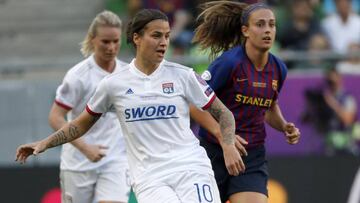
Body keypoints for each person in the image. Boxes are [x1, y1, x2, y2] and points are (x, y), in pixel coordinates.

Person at [15, 9, 244, 203]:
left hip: (192, 167)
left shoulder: (184, 76)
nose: (164, 42)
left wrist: (228, 144)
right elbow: (80, 124)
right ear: (137, 38)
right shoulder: (114, 84)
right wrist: (46, 142)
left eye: (166, 36)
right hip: (149, 176)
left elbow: (224, 114)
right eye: (156, 35)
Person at [192, 2, 301, 203]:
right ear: (246, 31)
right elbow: (194, 103)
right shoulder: (229, 63)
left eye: (272, 24)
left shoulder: (279, 68)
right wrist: (226, 139)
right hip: (213, 153)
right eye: (260, 24)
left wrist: (284, 125)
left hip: (251, 156)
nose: (267, 29)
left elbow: (269, 107)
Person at [48, 11, 130, 203]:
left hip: (115, 160)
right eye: (105, 41)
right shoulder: (78, 76)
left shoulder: (128, 74)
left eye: (116, 41)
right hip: (78, 163)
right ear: (93, 40)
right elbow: (55, 117)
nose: (111, 47)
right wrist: (85, 147)